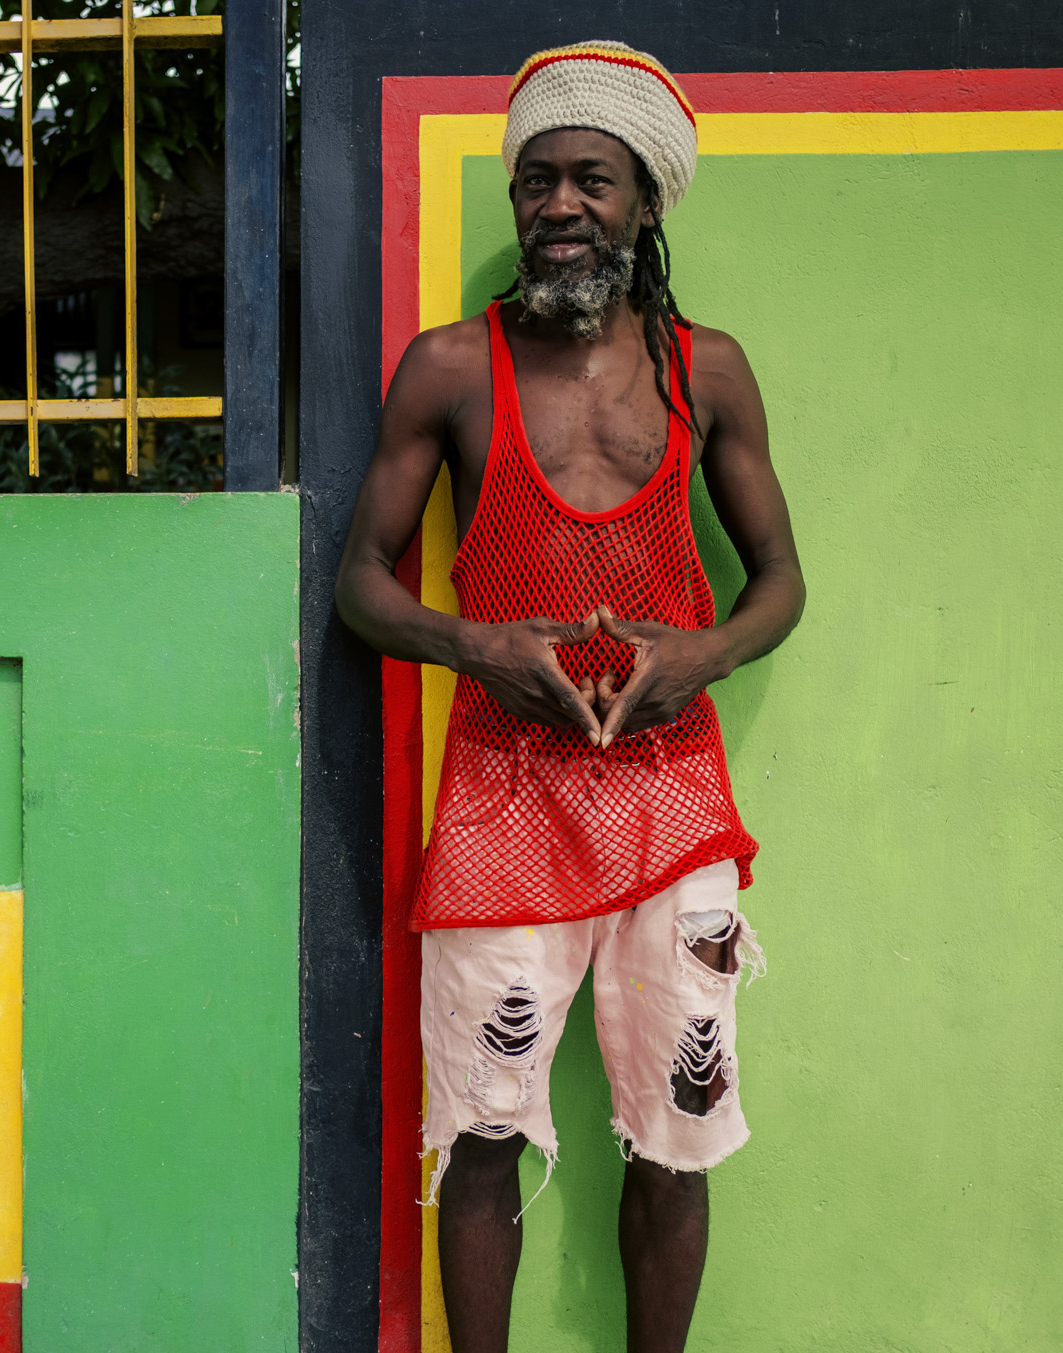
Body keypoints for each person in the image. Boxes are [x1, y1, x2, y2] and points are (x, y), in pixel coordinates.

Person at [333, 41, 806, 1353]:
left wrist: (700, 655)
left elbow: (780, 581)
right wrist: (477, 646)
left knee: (676, 1134)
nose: (557, 205)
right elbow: (361, 586)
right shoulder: (447, 368)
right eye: (534, 181)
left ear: (646, 200)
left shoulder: (706, 372)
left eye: (590, 180)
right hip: (503, 794)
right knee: (480, 1130)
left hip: (673, 800)